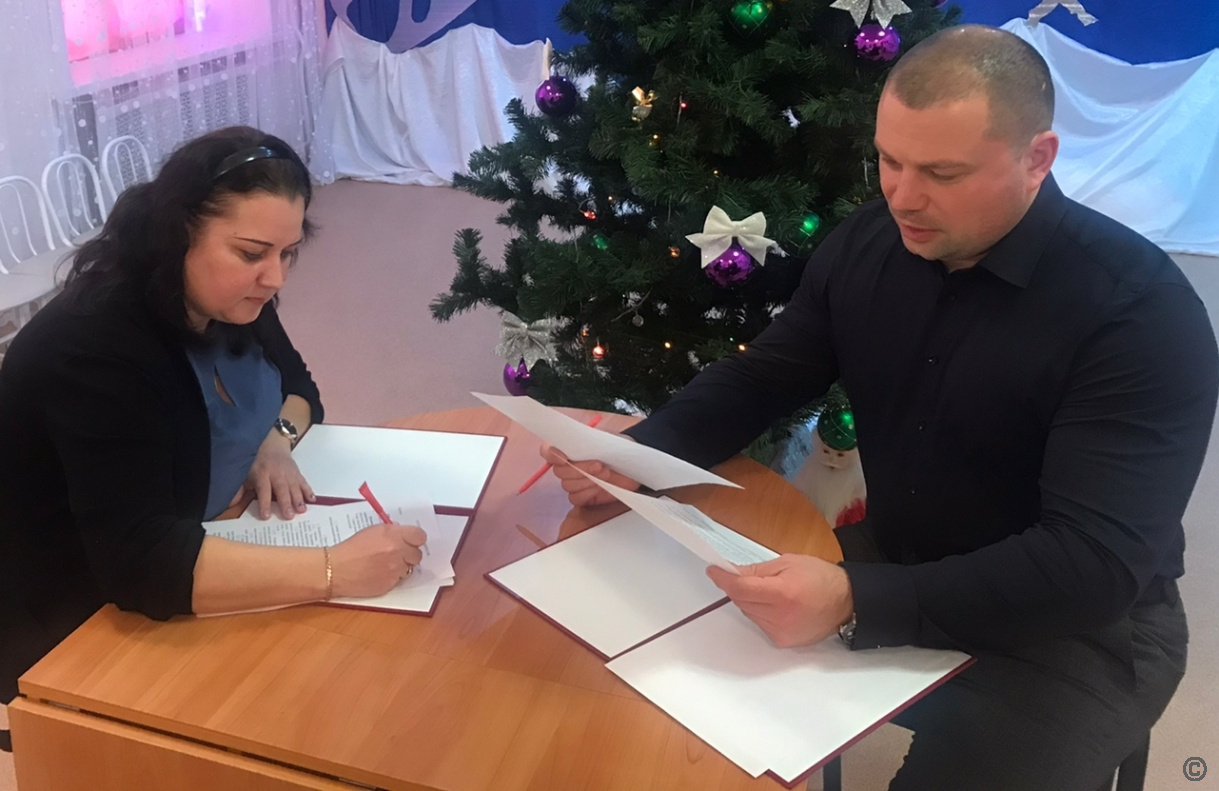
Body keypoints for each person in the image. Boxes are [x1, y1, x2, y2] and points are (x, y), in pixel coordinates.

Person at [542, 25, 1219, 790]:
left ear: (1037, 158)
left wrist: (854, 597)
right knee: (657, 686)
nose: (902, 195)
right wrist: (643, 454)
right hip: (902, 553)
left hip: (1077, 627)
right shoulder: (870, 243)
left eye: (941, 172)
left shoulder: (1138, 315)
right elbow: (768, 374)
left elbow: (1090, 564)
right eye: (888, 161)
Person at [0, 127, 427, 742]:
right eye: (252, 253)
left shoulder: (231, 297)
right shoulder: (94, 349)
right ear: (177, 234)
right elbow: (140, 564)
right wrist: (335, 569)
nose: (275, 278)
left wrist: (274, 443)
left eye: (287, 253)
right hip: (76, 617)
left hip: (197, 545)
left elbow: (301, 391)